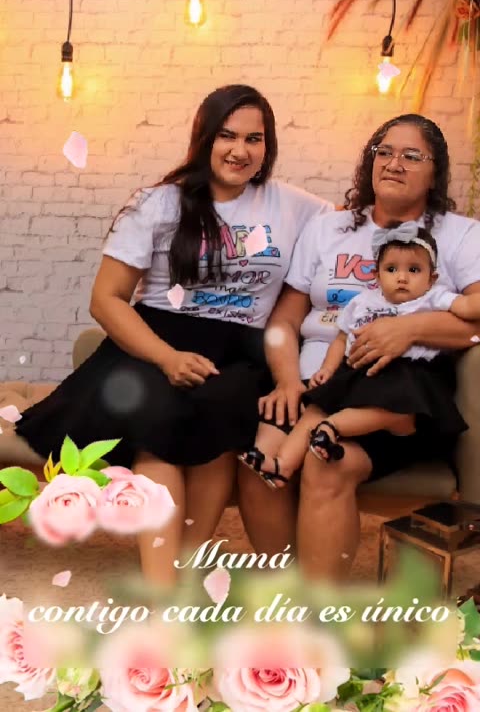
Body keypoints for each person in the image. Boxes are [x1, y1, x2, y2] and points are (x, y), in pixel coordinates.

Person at [12, 84, 332, 585]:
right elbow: (106, 299)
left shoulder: (297, 207)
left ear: (268, 146)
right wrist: (167, 358)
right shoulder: (159, 203)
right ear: (204, 137)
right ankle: (163, 588)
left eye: (255, 139)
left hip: (241, 347)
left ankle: (182, 577)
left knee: (219, 421)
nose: (240, 150)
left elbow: (355, 235)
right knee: (158, 429)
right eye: (227, 135)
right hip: (157, 339)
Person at [237, 113, 480, 580]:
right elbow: (284, 319)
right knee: (258, 461)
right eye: (384, 152)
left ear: (436, 173)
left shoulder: (459, 235)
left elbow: (475, 322)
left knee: (326, 463)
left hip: (397, 393)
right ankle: (285, 590)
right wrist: (287, 381)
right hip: (319, 378)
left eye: (412, 156)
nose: (394, 163)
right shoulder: (328, 228)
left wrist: (411, 329)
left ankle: (320, 600)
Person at [240, 222, 480, 488]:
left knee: (388, 406)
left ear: (431, 278)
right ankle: (282, 464)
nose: (402, 278)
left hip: (410, 375)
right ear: (376, 275)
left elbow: (469, 306)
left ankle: (332, 428)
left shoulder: (434, 297)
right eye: (391, 269)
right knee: (318, 405)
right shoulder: (363, 301)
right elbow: (342, 338)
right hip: (359, 371)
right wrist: (328, 369)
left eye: (414, 270)